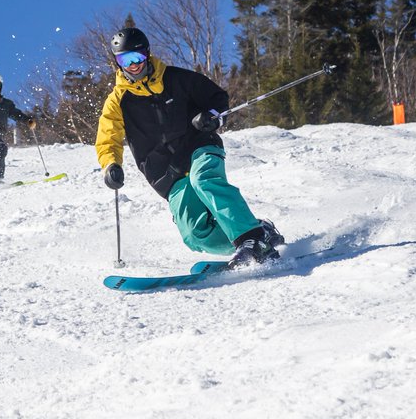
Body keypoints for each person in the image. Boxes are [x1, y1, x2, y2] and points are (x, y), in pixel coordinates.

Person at [95, 27, 284, 268]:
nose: (133, 65)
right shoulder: (117, 101)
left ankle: (252, 238)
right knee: (195, 234)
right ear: (117, 63)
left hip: (199, 146)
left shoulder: (178, 79)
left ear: (147, 54)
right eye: (125, 60)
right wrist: (110, 164)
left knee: (203, 179)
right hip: (165, 172)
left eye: (137, 57)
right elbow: (107, 137)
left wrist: (213, 116)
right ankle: (259, 232)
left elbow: (218, 99)